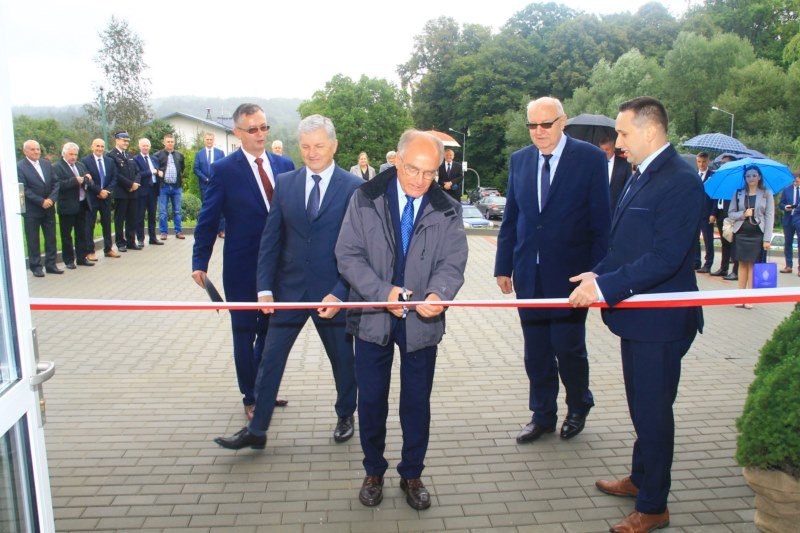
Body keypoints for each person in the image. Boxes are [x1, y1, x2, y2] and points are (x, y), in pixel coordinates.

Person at [569, 96, 704, 533]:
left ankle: (653, 505)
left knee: (653, 412)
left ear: (650, 131)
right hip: (638, 319)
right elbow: (625, 246)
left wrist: (604, 288)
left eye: (624, 133)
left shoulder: (681, 180)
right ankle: (640, 478)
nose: (618, 142)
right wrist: (599, 272)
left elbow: (666, 257)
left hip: (661, 323)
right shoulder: (639, 173)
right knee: (642, 407)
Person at [336, 130, 468, 510]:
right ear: (396, 159)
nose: (419, 180)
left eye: (429, 173)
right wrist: (382, 292)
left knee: (416, 402)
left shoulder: (447, 207)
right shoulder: (365, 197)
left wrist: (438, 294)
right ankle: (373, 471)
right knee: (371, 400)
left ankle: (412, 473)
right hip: (373, 315)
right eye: (412, 169)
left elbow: (453, 262)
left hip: (421, 322)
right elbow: (347, 255)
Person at [214, 114, 362, 451]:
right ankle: (257, 429)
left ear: (334, 146)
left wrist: (341, 292)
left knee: (343, 359)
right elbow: (271, 240)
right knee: (270, 359)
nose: (311, 153)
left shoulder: (353, 188)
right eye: (306, 146)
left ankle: (345, 414)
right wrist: (264, 289)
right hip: (289, 291)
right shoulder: (286, 183)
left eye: (319, 146)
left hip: (331, 294)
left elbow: (359, 249)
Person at [495, 97, 610, 444]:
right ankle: (542, 415)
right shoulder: (520, 160)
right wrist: (503, 265)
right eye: (532, 125)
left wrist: (596, 272)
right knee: (536, 351)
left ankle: (578, 406)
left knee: (568, 347)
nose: (539, 131)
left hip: (571, 276)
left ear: (563, 121)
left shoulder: (589, 159)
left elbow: (601, 223)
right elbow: (512, 218)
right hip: (529, 273)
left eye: (546, 124)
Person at [192, 103, 295, 420]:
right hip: (242, 268)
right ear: (238, 133)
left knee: (271, 333)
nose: (260, 134)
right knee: (244, 331)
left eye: (264, 127)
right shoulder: (224, 171)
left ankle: (265, 387)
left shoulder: (285, 165)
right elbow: (208, 219)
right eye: (253, 129)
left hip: (279, 268)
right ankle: (250, 396)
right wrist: (200, 261)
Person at [728, 166, 774, 308]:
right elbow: (731, 213)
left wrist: (767, 239)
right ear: (745, 178)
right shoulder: (738, 193)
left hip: (757, 234)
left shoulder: (766, 193)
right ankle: (740, 296)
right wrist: (743, 214)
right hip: (741, 233)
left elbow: (770, 216)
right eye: (748, 176)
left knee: (753, 265)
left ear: (759, 177)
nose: (751, 178)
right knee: (742, 264)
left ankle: (750, 298)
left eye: (754, 175)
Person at [18, 139, 61, 276]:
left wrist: (51, 199)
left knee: (51, 238)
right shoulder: (20, 167)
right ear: (25, 151)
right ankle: (36, 267)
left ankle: (51, 265)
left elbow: (56, 183)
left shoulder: (46, 163)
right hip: (33, 210)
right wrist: (41, 201)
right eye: (33, 149)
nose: (36, 152)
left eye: (38, 149)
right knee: (33, 239)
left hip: (49, 208)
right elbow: (23, 188)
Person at [53, 142, 95, 268]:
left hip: (82, 204)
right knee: (67, 235)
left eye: (75, 154)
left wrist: (88, 179)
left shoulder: (80, 165)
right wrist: (74, 181)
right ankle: (69, 260)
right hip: (67, 206)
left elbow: (88, 183)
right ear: (64, 153)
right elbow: (57, 185)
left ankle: (82, 258)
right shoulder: (57, 167)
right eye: (71, 154)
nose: (73, 157)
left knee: (81, 233)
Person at [81, 139, 118, 259]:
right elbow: (87, 179)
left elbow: (114, 178)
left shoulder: (109, 161)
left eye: (102, 146)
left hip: (106, 197)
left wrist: (106, 191)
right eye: (97, 146)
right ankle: (90, 251)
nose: (100, 149)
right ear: (92, 147)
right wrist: (99, 191)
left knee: (107, 224)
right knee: (89, 224)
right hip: (92, 197)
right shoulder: (85, 161)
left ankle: (108, 249)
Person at [107, 131, 141, 252]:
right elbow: (116, 174)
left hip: (133, 192)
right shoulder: (111, 155)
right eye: (124, 141)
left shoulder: (129, 155)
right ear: (117, 140)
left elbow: (137, 171)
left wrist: (135, 183)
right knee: (120, 219)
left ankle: (131, 241)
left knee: (132, 218)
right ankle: (120, 242)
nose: (126, 143)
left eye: (127, 141)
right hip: (121, 192)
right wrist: (130, 185)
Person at [193, 132, 226, 238]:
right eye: (207, 139)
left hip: (217, 184)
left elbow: (223, 166)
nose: (209, 141)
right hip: (205, 185)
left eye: (211, 139)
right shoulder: (199, 154)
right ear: (204, 140)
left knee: (220, 207)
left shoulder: (220, 153)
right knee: (207, 208)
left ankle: (221, 230)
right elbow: (196, 168)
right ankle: (207, 231)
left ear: (213, 140)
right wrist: (205, 178)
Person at [133, 139, 164, 247]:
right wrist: (150, 171)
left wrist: (159, 172)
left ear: (150, 147)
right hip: (142, 191)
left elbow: (157, 170)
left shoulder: (154, 158)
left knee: (152, 215)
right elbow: (137, 174)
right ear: (139, 147)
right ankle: (140, 239)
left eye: (147, 146)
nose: (145, 148)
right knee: (140, 216)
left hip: (153, 190)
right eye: (143, 146)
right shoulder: (136, 159)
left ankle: (153, 238)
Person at [155, 134, 186, 240]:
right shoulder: (157, 155)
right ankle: (163, 232)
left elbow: (182, 169)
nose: (170, 143)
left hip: (176, 187)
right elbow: (155, 169)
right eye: (168, 141)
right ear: (164, 142)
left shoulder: (179, 155)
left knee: (177, 211)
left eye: (172, 141)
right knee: (163, 212)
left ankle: (179, 231)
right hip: (163, 187)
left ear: (174, 142)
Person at [695, 152, 715, 273]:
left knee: (708, 239)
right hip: (695, 212)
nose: (701, 164)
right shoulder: (694, 175)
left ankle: (708, 263)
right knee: (694, 238)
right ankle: (696, 261)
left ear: (708, 162)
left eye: (704, 162)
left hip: (707, 213)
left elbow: (715, 196)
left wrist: (713, 213)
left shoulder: (713, 176)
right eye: (699, 161)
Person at [600, 136, 632, 212]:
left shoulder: (625, 163)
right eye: (602, 150)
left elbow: (628, 185)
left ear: (613, 148)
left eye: (607, 149)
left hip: (616, 208)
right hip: (598, 206)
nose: (604, 152)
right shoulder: (595, 163)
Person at [778, 172, 800, 276]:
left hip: (799, 219)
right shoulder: (787, 189)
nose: (795, 183)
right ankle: (788, 265)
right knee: (787, 242)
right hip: (788, 219)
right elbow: (781, 204)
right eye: (794, 181)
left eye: (797, 181)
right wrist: (785, 207)